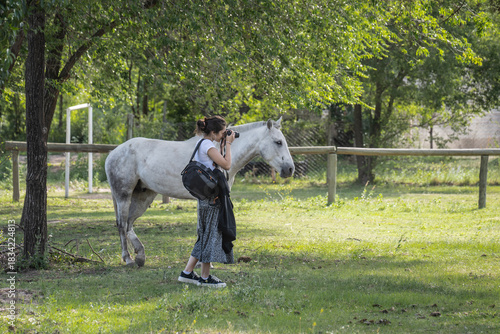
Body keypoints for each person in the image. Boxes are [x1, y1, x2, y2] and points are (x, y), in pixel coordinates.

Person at [178, 116, 236, 288]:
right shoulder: (208, 146)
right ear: (213, 132)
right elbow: (226, 165)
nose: (224, 135)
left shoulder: (202, 144)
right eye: (222, 132)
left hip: (206, 197)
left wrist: (224, 145)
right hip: (211, 199)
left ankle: (187, 273)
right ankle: (204, 277)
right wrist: (230, 145)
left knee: (204, 235)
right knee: (210, 235)